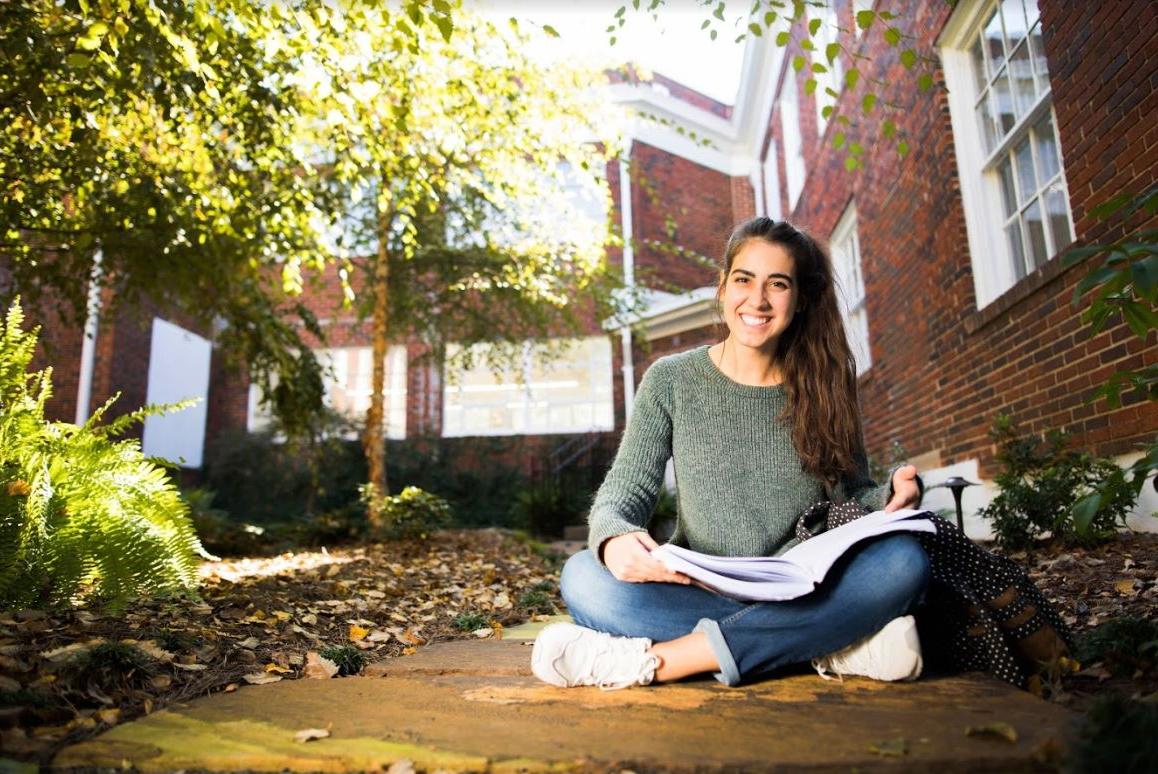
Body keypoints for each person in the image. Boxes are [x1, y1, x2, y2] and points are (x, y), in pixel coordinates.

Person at [531, 217, 929, 690]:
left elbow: (854, 495)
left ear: (798, 300)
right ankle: (830, 645)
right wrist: (614, 536)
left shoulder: (827, 382)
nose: (757, 300)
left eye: (777, 284)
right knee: (582, 577)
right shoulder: (671, 379)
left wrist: (892, 496)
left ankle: (663, 661)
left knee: (904, 562)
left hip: (800, 587)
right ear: (722, 287)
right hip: (695, 586)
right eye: (744, 280)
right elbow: (626, 489)